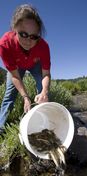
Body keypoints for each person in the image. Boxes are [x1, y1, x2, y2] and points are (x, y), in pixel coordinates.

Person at [0, 4, 51, 134]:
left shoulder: (43, 47)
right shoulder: (5, 44)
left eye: (34, 36)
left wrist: (44, 91)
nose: (28, 41)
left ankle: (44, 124)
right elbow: (15, 76)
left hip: (35, 64)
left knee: (43, 90)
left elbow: (46, 74)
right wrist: (26, 97)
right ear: (14, 29)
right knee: (9, 94)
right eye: (23, 34)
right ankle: (0, 127)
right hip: (17, 68)